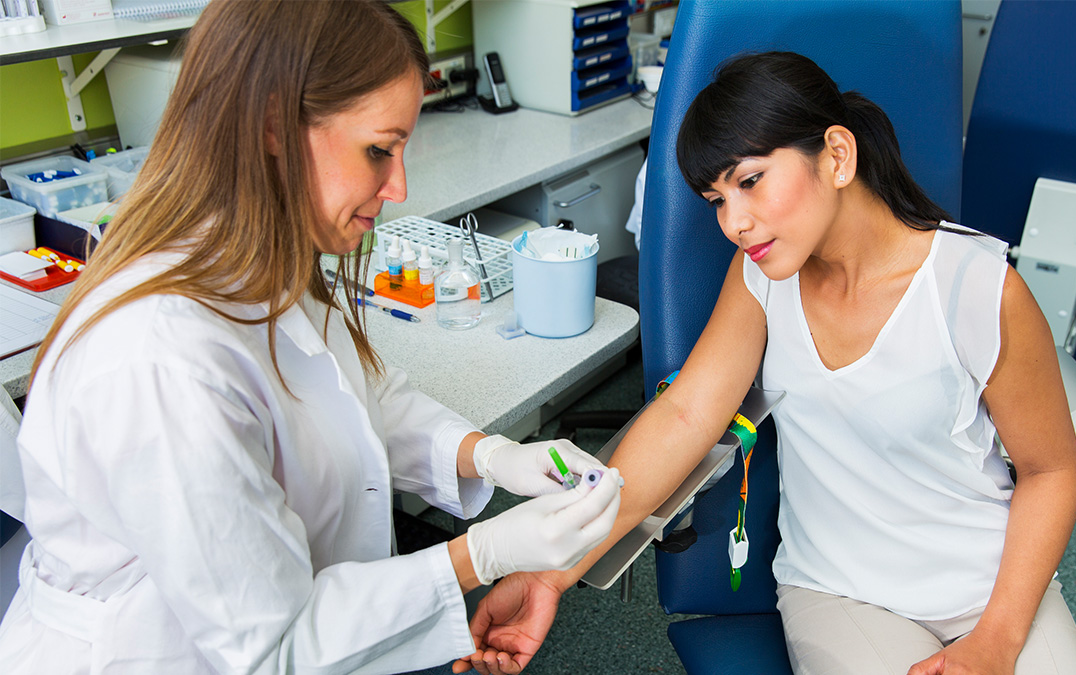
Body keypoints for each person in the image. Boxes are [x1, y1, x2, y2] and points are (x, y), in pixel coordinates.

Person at [0, 1, 622, 673]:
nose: (399, 186)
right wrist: (481, 554)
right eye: (379, 149)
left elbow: (352, 399)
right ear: (273, 125)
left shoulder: (259, 252)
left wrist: (491, 455)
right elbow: (273, 643)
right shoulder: (157, 359)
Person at [457, 52, 1076, 675]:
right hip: (844, 593)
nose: (733, 222)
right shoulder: (761, 277)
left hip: (993, 588)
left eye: (750, 181)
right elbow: (684, 418)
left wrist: (997, 641)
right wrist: (552, 570)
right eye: (715, 199)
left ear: (837, 156)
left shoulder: (978, 288)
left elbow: (1052, 470)